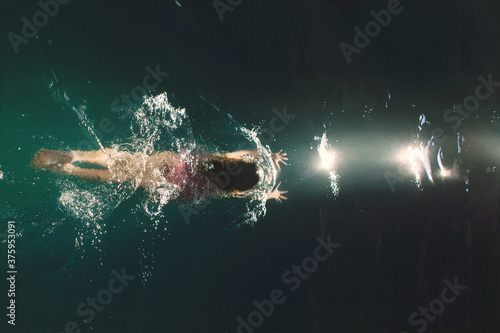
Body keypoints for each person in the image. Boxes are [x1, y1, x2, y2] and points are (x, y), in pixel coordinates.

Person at [31, 148, 289, 202]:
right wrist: (270, 193)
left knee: (124, 159)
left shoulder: (215, 160)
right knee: (117, 177)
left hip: (170, 162)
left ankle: (76, 155)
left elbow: (244, 152)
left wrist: (266, 156)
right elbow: (254, 197)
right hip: (169, 183)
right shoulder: (221, 188)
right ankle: (70, 170)